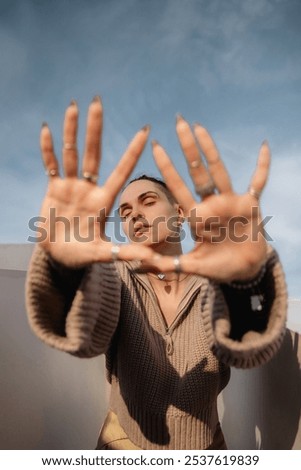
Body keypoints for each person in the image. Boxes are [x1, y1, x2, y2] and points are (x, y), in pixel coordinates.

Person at [25, 97, 287, 450]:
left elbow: (247, 349)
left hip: (207, 447)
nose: (133, 215)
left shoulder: (212, 281)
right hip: (122, 445)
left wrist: (244, 282)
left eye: (147, 201)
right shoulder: (115, 275)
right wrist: (67, 267)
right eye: (125, 211)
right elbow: (85, 338)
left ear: (179, 214)